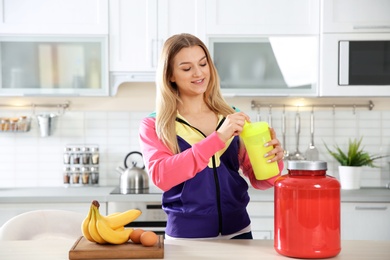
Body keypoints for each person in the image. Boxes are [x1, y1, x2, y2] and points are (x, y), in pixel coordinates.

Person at [139, 33, 284, 240]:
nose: (198, 73)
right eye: (187, 68)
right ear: (170, 75)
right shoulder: (155, 125)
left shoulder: (231, 115)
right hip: (186, 240)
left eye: (203, 64)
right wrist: (218, 138)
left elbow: (260, 180)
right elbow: (162, 176)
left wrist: (273, 160)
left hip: (239, 233)